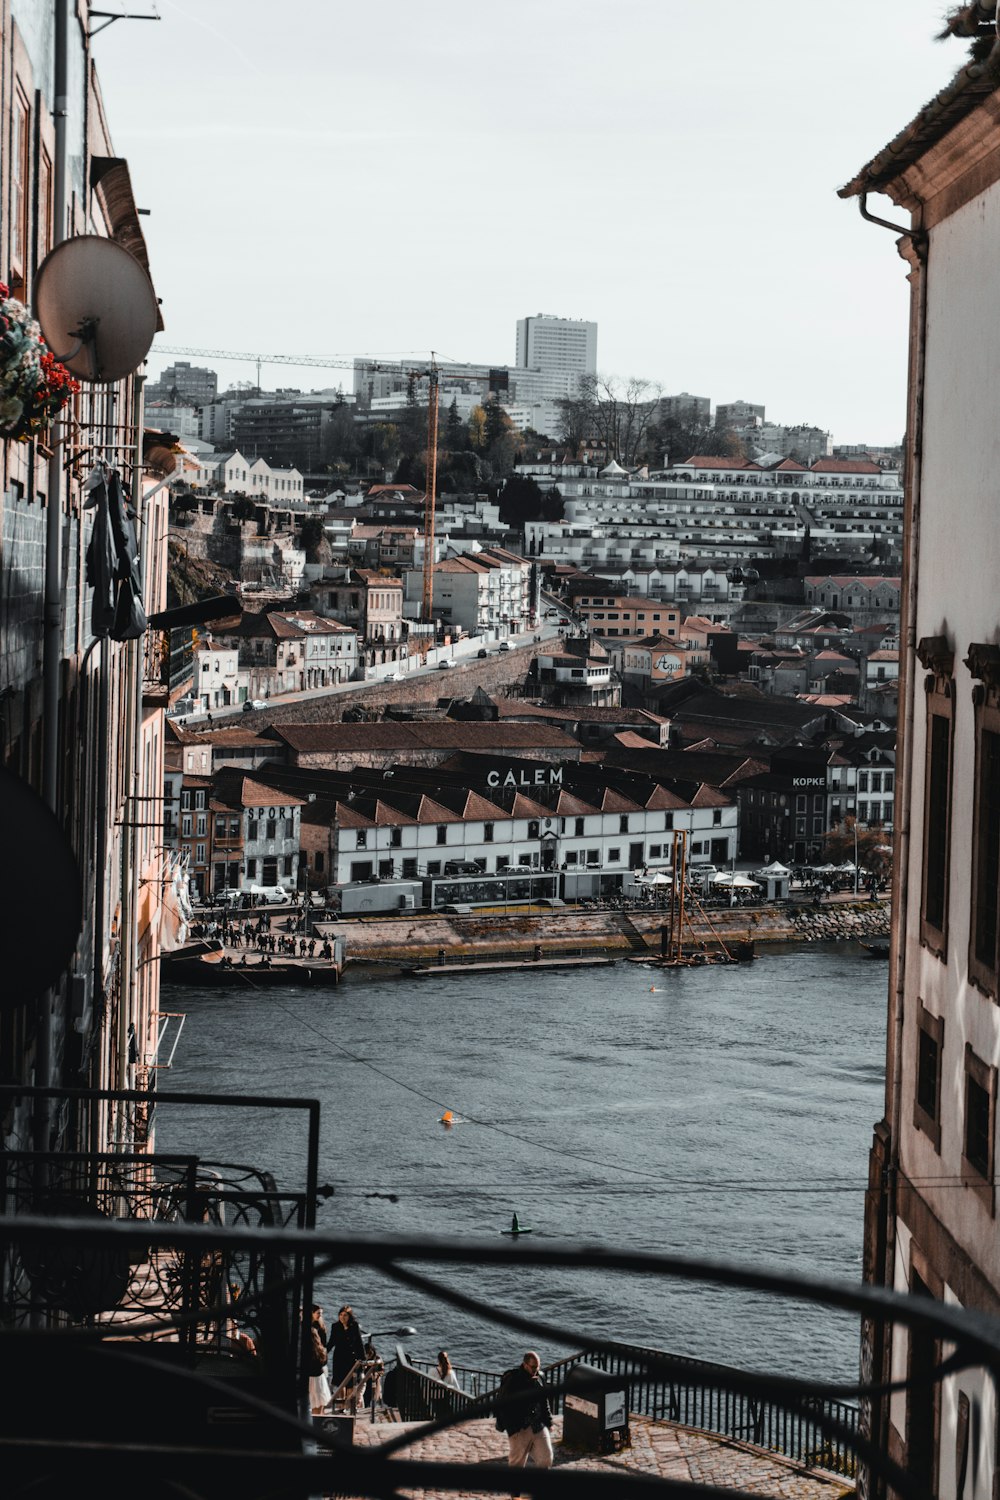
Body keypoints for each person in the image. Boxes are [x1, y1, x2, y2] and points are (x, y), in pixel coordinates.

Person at [495, 1350, 553, 1473]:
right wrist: (512, 1429)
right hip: (519, 1428)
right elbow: (502, 1404)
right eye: (533, 1367)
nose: (536, 1370)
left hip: (538, 1425)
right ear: (525, 1365)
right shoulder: (512, 1380)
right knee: (517, 1464)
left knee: (546, 1458)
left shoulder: (540, 1377)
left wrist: (549, 1421)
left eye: (538, 1367)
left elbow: (544, 1400)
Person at [327, 1304, 365, 1408]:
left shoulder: (354, 1326)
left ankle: (348, 1406)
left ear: (349, 1316)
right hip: (339, 1358)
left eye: (345, 1315)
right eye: (341, 1315)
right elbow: (331, 1342)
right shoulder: (335, 1326)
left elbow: (359, 1343)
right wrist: (324, 1352)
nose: (342, 1317)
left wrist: (363, 1360)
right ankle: (341, 1407)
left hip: (351, 1359)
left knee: (350, 1383)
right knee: (339, 1383)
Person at [307, 1304, 332, 1415]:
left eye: (321, 1313)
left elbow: (324, 1344)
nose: (320, 1315)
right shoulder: (314, 1327)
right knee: (319, 1399)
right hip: (317, 1362)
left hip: (316, 1362)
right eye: (318, 1313)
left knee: (317, 1399)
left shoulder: (318, 1327)